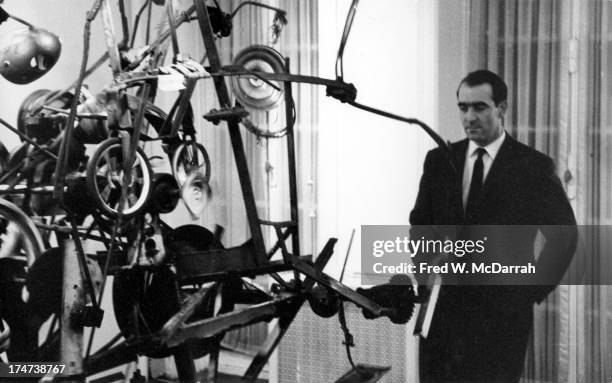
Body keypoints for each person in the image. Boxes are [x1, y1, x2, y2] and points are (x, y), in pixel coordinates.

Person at [410, 69, 577, 382]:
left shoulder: (532, 166)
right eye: (463, 108)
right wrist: (426, 272)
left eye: (480, 107)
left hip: (501, 319)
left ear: (502, 108)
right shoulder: (438, 160)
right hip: (442, 315)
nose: (469, 117)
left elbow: (564, 236)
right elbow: (419, 225)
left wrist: (529, 290)